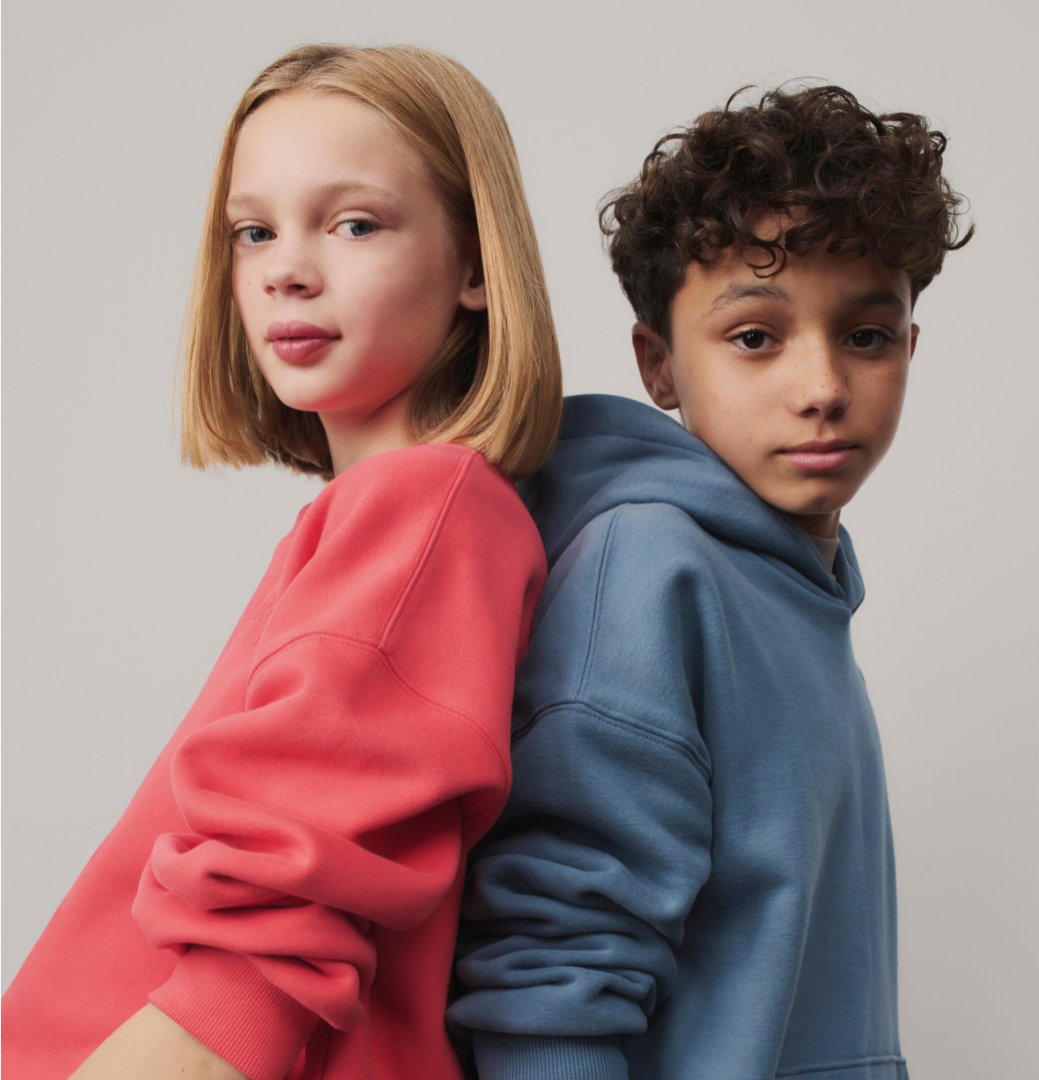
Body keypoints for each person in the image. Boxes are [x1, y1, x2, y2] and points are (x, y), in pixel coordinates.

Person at [2, 43, 562, 1080]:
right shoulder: (373, 516)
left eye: (354, 222)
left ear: (479, 265)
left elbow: (261, 956)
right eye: (253, 230)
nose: (285, 267)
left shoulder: (429, 506)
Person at [449, 85, 971, 1079]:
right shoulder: (649, 569)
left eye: (865, 336)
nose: (820, 387)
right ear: (660, 366)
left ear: (910, 344)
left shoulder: (801, 584)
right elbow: (558, 957)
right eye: (754, 338)